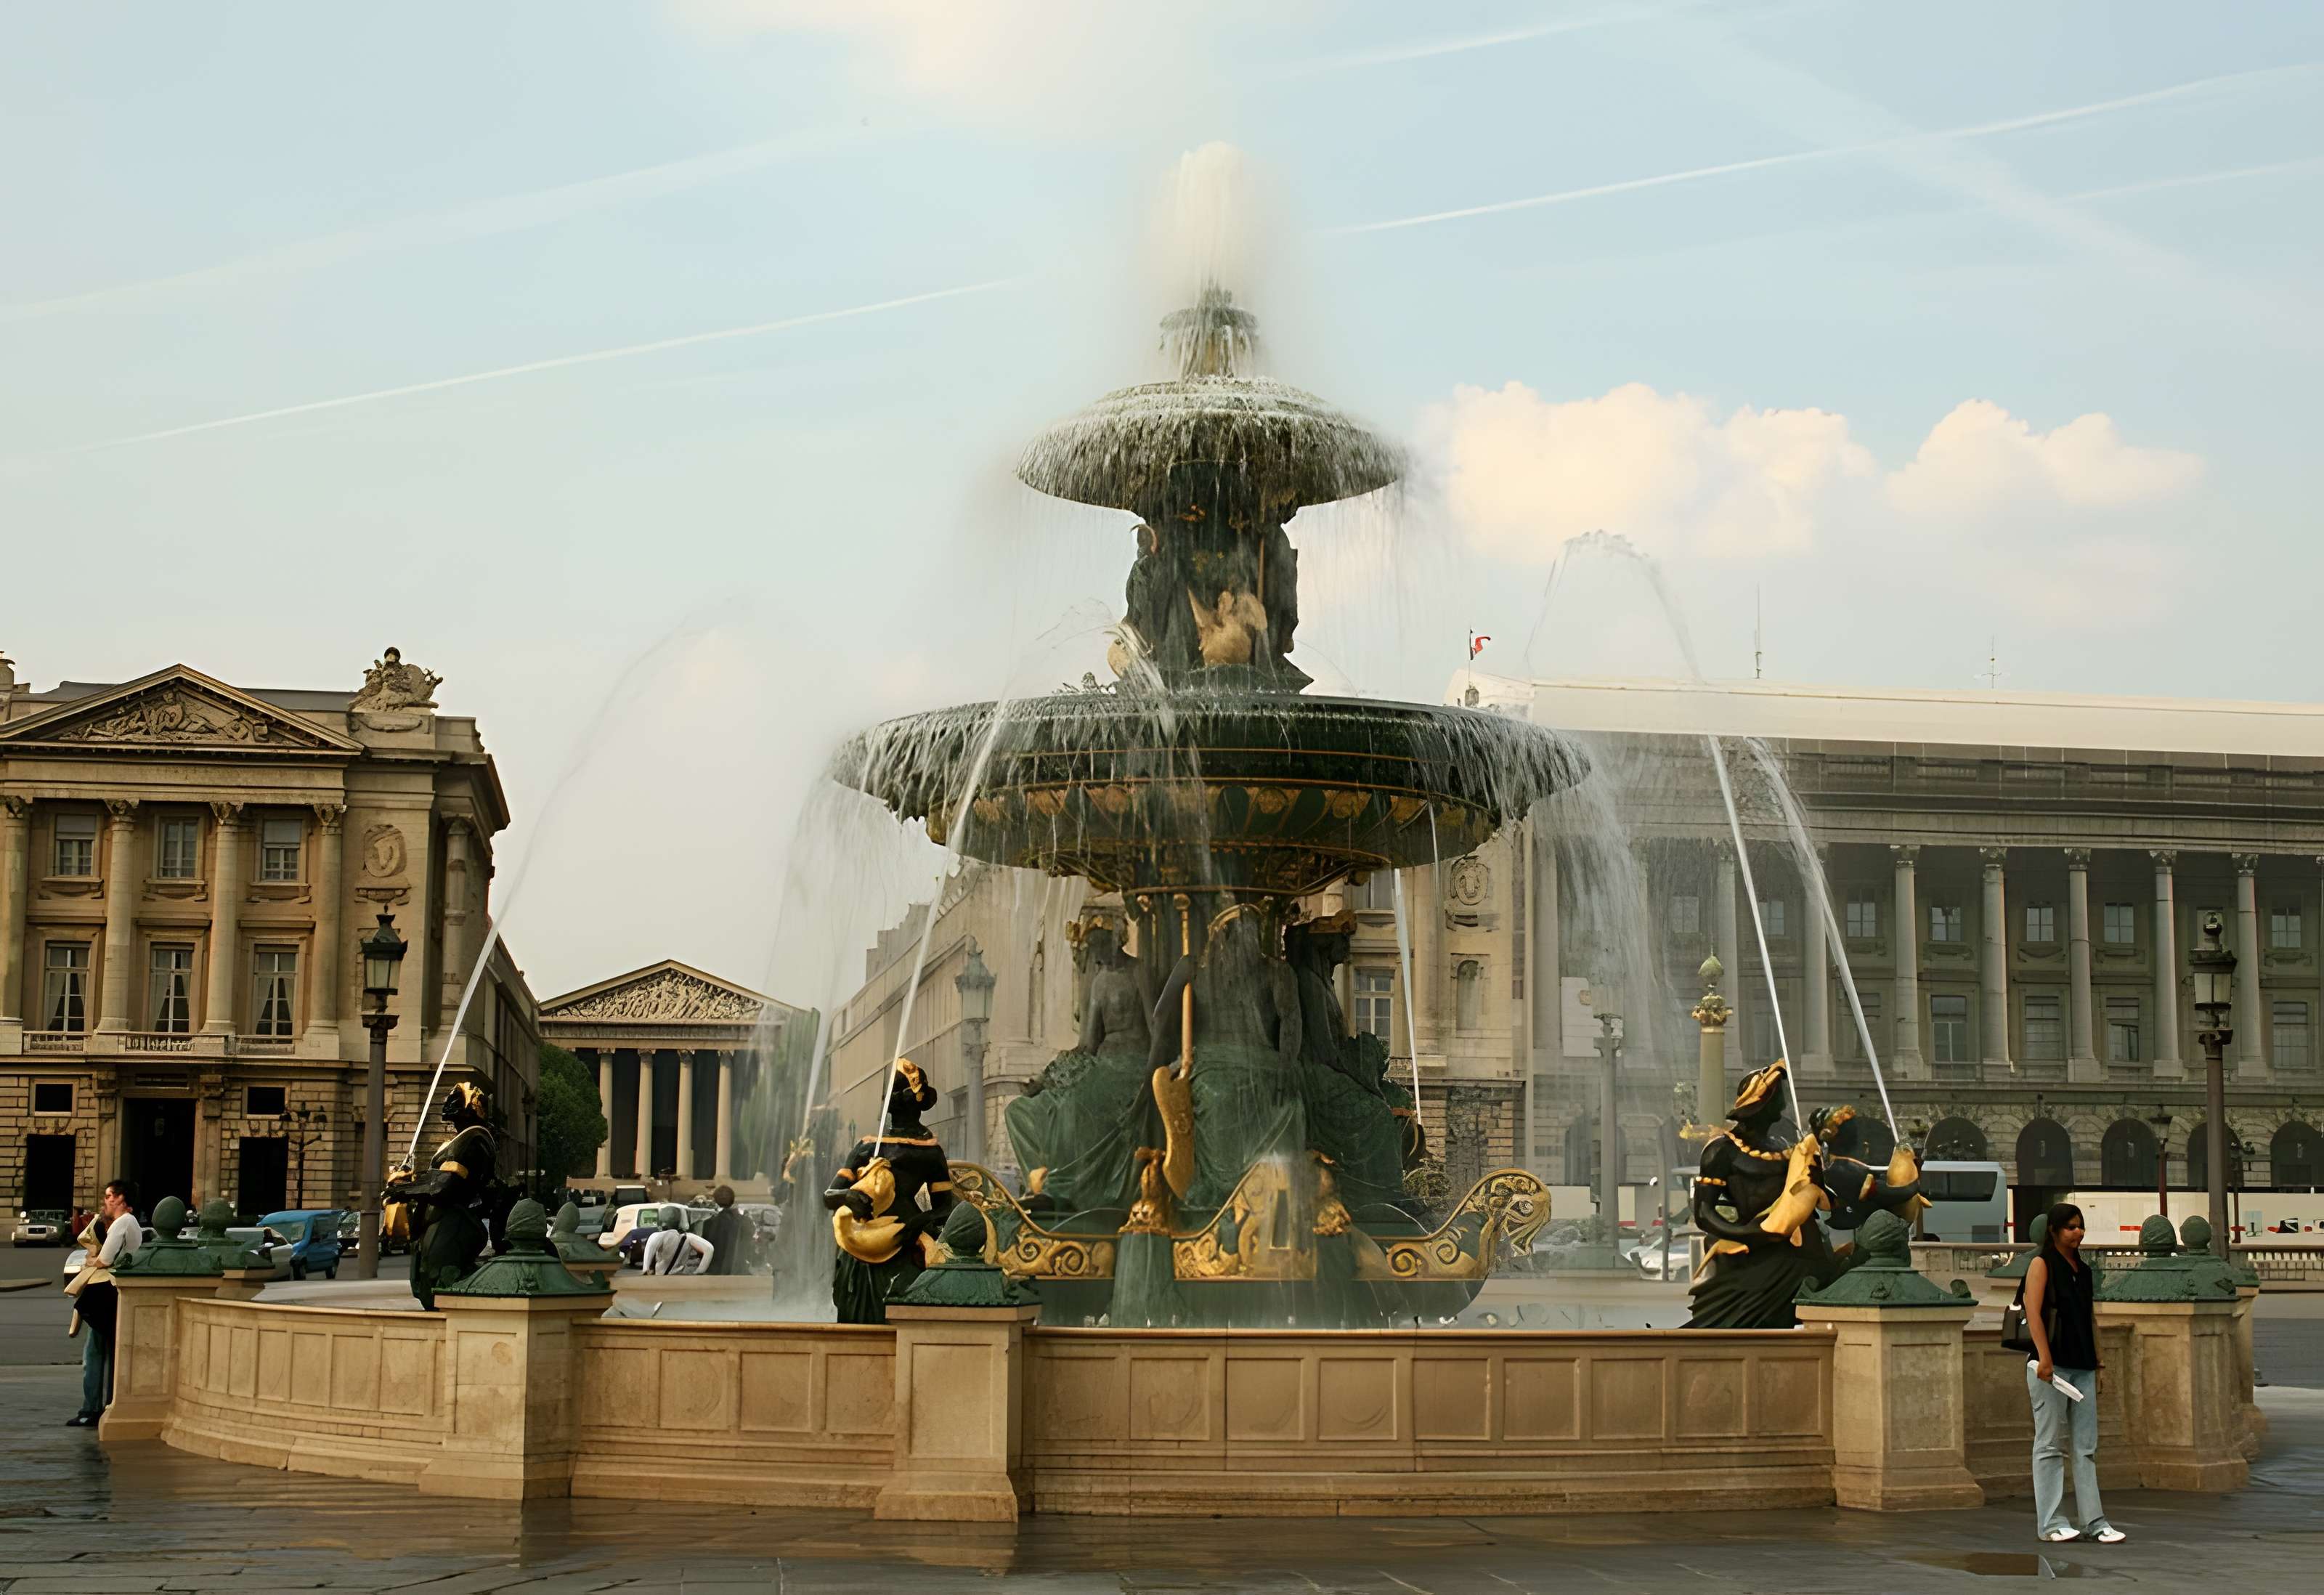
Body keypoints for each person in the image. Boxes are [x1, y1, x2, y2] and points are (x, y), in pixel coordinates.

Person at [2021, 1200, 2123, 1545]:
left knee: (2086, 1446)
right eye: (2070, 1227)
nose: (2078, 1232)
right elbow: (2032, 1313)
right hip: (2050, 1367)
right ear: (2054, 1230)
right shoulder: (2041, 1263)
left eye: (2080, 1226)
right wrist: (2045, 1359)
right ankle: (2051, 1523)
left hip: (2082, 1366)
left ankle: (2095, 1521)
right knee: (2049, 1445)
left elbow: (2089, 1318)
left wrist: (2100, 1362)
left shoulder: (2085, 1269)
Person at [65, 1180, 142, 1428]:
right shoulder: (128, 1223)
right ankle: (100, 1405)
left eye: (109, 1196)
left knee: (94, 1353)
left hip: (106, 1292)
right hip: (114, 1293)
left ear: (120, 1199)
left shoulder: (123, 1222)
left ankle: (91, 1409)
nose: (105, 1201)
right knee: (106, 1353)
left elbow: (105, 1259)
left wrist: (92, 1260)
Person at [641, 1206, 713, 1275]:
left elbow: (649, 1251)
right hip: (679, 1277)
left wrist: (646, 1269)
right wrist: (699, 1271)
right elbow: (709, 1250)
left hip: (660, 1276)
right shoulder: (689, 1237)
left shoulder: (657, 1235)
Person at [697, 1185, 749, 1275]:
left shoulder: (709, 1223)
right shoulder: (745, 1222)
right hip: (739, 1270)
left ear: (715, 1200)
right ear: (733, 1200)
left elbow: (703, 1252)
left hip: (714, 1271)